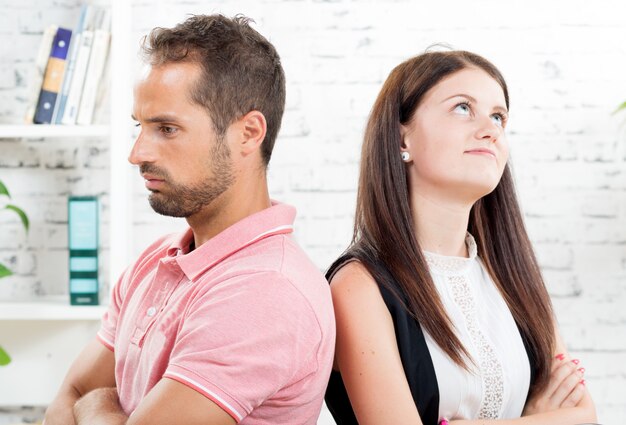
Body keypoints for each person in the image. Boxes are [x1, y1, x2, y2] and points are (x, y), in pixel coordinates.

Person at [44, 14, 335, 425]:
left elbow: (83, 396)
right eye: (139, 127)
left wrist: (97, 403)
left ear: (248, 133)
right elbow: (69, 393)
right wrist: (94, 404)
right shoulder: (157, 259)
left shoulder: (267, 290)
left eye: (166, 128)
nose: (137, 153)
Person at [325, 50, 597, 425]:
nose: (491, 129)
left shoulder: (512, 276)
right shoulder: (358, 287)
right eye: (463, 108)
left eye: (498, 116)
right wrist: (535, 417)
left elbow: (585, 416)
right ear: (402, 137)